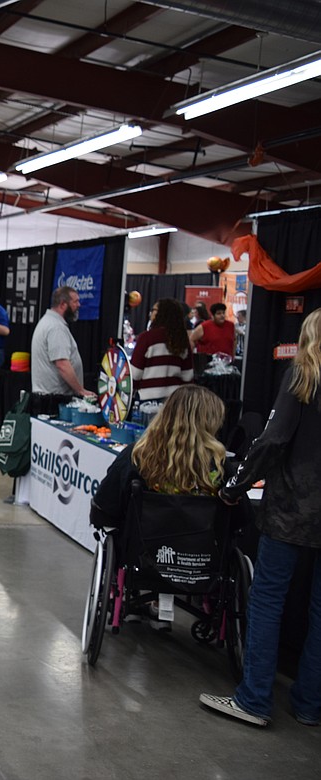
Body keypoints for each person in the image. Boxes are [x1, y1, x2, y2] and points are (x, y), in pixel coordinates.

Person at [200, 307, 321, 729]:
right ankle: (309, 703)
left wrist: (236, 485)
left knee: (268, 599)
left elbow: (272, 441)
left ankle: (253, 699)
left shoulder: (302, 375)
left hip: (292, 509)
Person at [91, 385, 230, 630]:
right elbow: (238, 521)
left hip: (146, 557)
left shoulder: (138, 456)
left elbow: (105, 504)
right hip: (201, 561)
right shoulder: (220, 467)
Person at [30, 286, 95, 415]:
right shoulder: (56, 327)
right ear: (63, 304)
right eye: (75, 301)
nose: (79, 305)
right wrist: (81, 391)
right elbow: (62, 365)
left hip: (48, 399)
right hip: (53, 402)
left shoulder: (49, 322)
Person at [130, 297, 193, 403]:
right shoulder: (182, 339)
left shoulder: (147, 337)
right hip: (174, 401)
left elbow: (135, 374)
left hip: (148, 401)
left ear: (161, 313)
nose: (151, 313)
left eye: (153, 310)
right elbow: (188, 376)